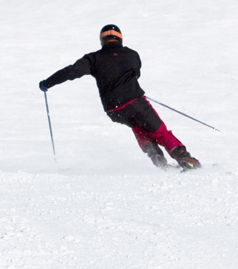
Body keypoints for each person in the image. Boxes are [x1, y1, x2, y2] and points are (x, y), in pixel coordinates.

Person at [39, 24, 201, 170]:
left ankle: (155, 155)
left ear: (102, 40)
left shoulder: (93, 59)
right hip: (135, 101)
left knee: (137, 126)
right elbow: (136, 73)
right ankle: (184, 158)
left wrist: (48, 83)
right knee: (159, 131)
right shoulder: (131, 54)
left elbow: (71, 71)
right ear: (120, 38)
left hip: (114, 110)